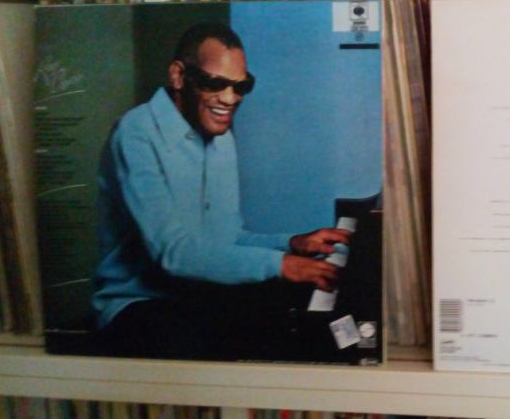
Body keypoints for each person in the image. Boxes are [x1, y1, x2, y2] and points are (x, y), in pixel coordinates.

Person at [93, 22, 352, 360]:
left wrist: (291, 244)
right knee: (219, 339)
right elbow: (174, 254)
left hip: (198, 295)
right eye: (215, 83)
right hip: (138, 303)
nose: (230, 99)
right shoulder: (135, 133)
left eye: (241, 86)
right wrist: (282, 264)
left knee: (299, 320)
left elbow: (227, 239)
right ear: (178, 76)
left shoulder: (221, 138)